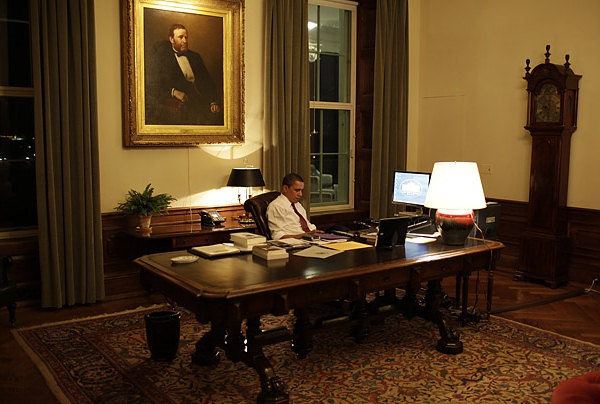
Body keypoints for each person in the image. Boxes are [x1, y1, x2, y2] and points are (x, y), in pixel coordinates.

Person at [145, 24, 223, 125]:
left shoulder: (195, 57)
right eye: (180, 37)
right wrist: (173, 92)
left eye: (186, 37)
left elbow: (208, 81)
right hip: (185, 103)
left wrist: (213, 101)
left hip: (203, 101)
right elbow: (153, 85)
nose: (185, 41)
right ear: (171, 39)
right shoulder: (162, 59)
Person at [266, 173, 324, 240]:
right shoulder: (276, 207)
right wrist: (305, 235)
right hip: (296, 243)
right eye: (297, 190)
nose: (300, 194)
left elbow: (308, 226)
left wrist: (316, 233)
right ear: (285, 188)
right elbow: (278, 236)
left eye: (301, 190)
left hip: (312, 239)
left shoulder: (297, 205)